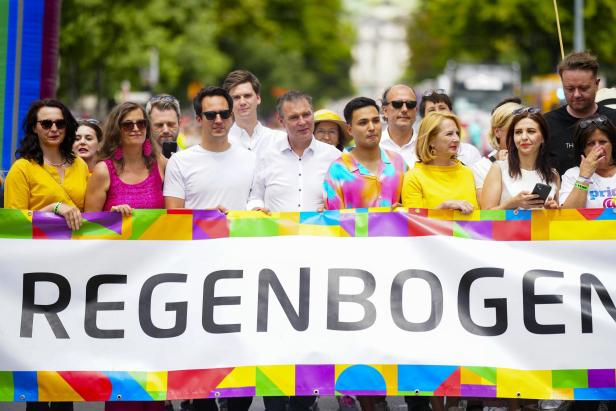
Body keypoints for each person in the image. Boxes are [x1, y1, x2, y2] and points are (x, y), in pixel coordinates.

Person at [164, 86, 255, 213]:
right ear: (199, 119)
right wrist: (205, 217)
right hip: (197, 233)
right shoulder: (179, 162)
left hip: (240, 233)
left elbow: (257, 200)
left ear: (231, 116)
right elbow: (172, 216)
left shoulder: (251, 159)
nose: (218, 120)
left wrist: (257, 207)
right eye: (210, 115)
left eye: (224, 114)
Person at [247, 90, 340, 213]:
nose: (302, 122)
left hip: (320, 231)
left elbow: (346, 199)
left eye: (306, 114)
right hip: (278, 231)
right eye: (294, 117)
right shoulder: (266, 156)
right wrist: (256, 209)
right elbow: (255, 197)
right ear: (281, 121)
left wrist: (332, 208)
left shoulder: (334, 157)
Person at [4, 99, 88, 232]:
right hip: (37, 248)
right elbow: (13, 224)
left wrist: (115, 212)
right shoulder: (22, 168)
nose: (54, 129)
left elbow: (93, 214)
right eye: (46, 124)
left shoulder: (80, 165)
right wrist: (54, 207)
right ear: (34, 128)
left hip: (77, 246)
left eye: (60, 123)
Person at [85, 102, 166, 216]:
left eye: (141, 123)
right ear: (116, 130)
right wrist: (111, 216)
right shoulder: (103, 171)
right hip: (116, 234)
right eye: (128, 125)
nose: (136, 128)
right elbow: (90, 223)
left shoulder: (160, 162)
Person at [324, 97, 406, 209]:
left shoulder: (398, 162)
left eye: (376, 121)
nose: (372, 128)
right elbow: (335, 220)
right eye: (363, 123)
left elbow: (412, 210)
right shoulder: (338, 170)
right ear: (349, 129)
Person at [545, 52, 616, 175]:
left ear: (597, 84)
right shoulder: (546, 124)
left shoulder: (614, 118)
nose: (577, 94)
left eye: (583, 88)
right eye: (570, 89)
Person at [481, 108, 560, 210]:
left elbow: (556, 219)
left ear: (543, 137)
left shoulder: (553, 174)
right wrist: (512, 203)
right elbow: (485, 216)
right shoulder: (498, 168)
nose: (523, 137)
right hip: (508, 226)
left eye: (531, 131)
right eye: (518, 132)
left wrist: (551, 210)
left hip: (542, 226)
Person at [401, 112, 478, 214]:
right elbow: (414, 223)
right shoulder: (413, 177)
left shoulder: (468, 172)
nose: (456, 139)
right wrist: (444, 207)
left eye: (457, 133)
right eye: (449, 134)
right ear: (431, 140)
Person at [222, 69, 285, 156]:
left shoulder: (279, 140)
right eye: (236, 97)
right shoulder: (220, 144)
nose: (242, 102)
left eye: (247, 96)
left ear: (258, 99)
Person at [560, 114, 616, 208]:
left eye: (602, 142)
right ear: (582, 149)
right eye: (591, 143)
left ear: (612, 144)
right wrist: (584, 177)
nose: (598, 148)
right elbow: (569, 216)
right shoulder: (572, 174)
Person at [471, 101, 524, 194]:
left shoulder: (536, 164)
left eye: (528, 131)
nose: (523, 137)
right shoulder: (481, 168)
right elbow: (487, 208)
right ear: (497, 132)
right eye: (514, 131)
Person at [418, 88, 482, 165]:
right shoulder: (415, 155)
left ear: (451, 112)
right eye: (432, 110)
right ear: (423, 118)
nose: (438, 113)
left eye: (442, 108)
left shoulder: (469, 153)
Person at [379, 84, 419, 167]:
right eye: (397, 104)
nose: (404, 109)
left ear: (416, 110)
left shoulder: (428, 147)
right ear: (385, 110)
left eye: (410, 104)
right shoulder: (373, 146)